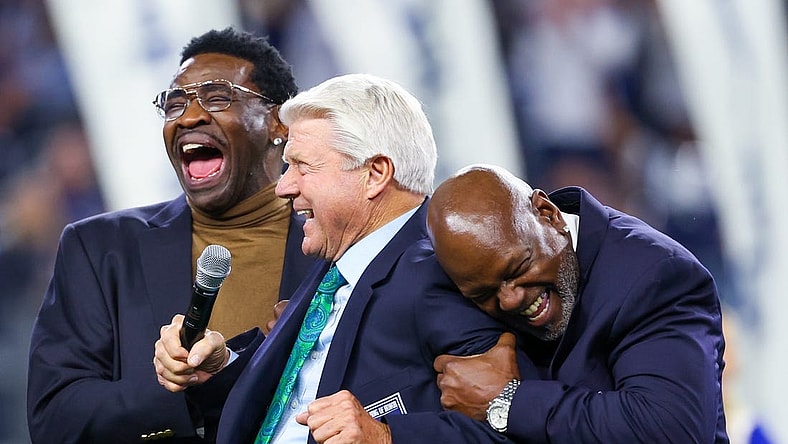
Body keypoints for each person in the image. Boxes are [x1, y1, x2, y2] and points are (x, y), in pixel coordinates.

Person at [154, 73, 525, 444]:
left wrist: (386, 437)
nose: (284, 186)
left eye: (302, 166)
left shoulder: (443, 273)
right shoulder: (332, 269)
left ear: (374, 174)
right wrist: (220, 367)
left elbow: (508, 427)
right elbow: (289, 395)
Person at [27, 27, 317, 443]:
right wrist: (189, 391)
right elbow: (55, 420)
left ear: (278, 121)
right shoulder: (100, 249)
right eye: (175, 104)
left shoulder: (337, 248)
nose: (188, 117)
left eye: (217, 97)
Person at [427, 164, 728, 443]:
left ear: (548, 214)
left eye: (518, 269)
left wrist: (508, 402)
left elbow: (671, 430)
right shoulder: (468, 295)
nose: (510, 299)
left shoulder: (655, 274)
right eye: (484, 294)